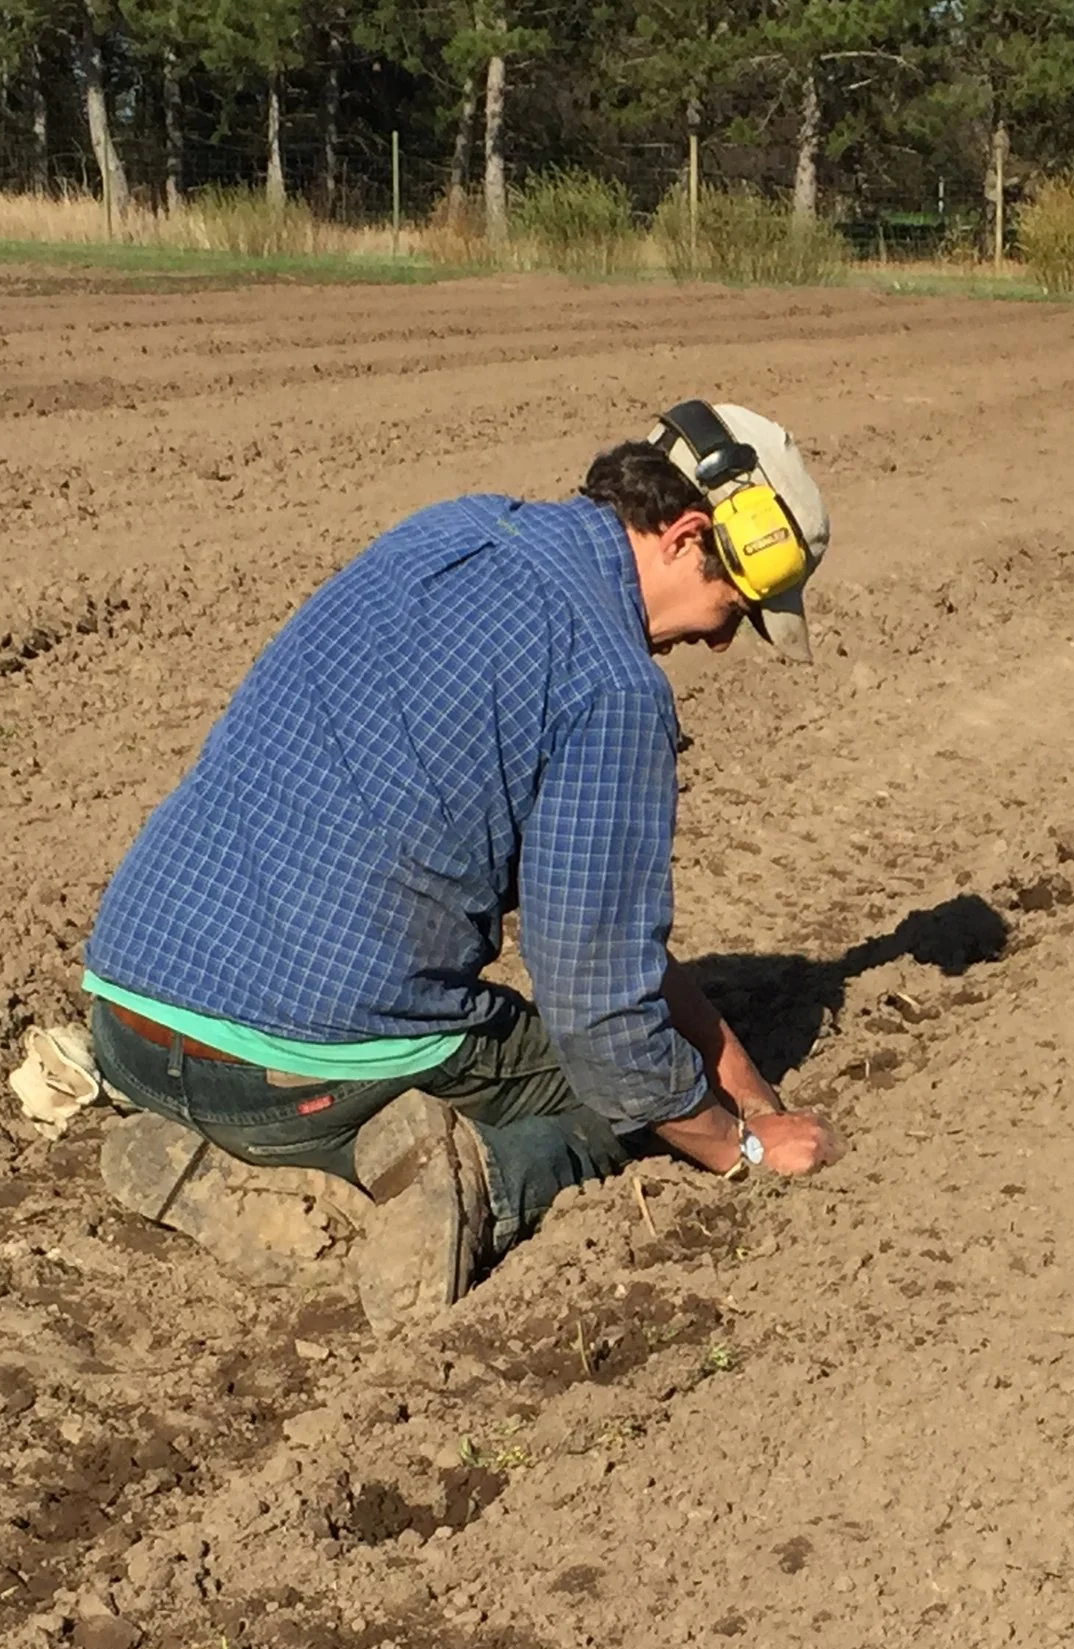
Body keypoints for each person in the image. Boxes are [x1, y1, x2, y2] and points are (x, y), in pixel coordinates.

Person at [80, 402, 844, 1332]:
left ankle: (233, 1160)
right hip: (288, 1078)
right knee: (624, 1103)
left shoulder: (449, 530)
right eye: (735, 610)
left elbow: (603, 931)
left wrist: (748, 1083)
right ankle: (473, 1180)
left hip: (128, 1014)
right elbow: (604, 1020)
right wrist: (741, 1145)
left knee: (628, 1062)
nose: (720, 642)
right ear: (686, 535)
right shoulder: (613, 684)